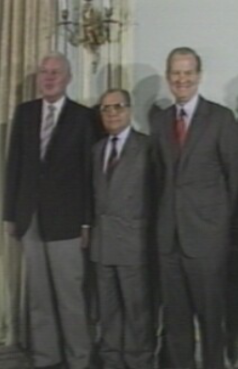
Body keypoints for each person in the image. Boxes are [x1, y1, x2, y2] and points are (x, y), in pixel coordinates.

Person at [150, 47, 238, 369]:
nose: (182, 79)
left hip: (207, 240)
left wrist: (221, 229)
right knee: (175, 322)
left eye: (188, 72)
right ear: (168, 77)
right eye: (176, 73)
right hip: (169, 240)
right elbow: (159, 179)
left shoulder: (221, 118)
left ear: (199, 76)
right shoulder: (160, 121)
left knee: (211, 320)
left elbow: (236, 179)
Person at [3, 52, 95, 369]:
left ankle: (79, 359)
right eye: (44, 71)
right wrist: (10, 214)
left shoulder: (83, 117)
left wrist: (87, 223)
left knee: (70, 297)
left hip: (67, 223)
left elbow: (89, 174)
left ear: (68, 78)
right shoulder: (25, 112)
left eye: (56, 72)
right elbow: (14, 165)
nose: (49, 77)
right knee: (39, 296)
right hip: (29, 219)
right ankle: (46, 356)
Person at [90, 89, 156, 369]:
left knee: (137, 311)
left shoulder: (147, 147)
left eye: (118, 107)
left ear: (129, 110)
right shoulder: (97, 150)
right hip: (103, 244)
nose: (112, 113)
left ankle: (139, 361)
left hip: (134, 244)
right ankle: (111, 360)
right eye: (105, 109)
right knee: (108, 310)